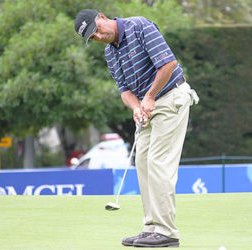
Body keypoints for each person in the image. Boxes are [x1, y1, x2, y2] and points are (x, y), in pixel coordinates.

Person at [74, 9, 199, 248]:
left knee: (158, 162)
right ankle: (151, 227)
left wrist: (149, 97)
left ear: (102, 17)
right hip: (147, 106)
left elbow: (168, 63)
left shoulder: (139, 26)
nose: (98, 37)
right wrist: (135, 107)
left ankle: (167, 232)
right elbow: (124, 90)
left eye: (96, 30)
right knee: (142, 161)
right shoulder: (110, 53)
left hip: (171, 98)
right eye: (93, 38)